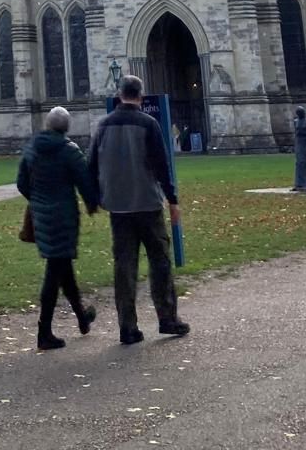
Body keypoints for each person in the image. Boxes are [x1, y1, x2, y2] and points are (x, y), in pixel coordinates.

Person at [88, 74, 190, 345]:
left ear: (119, 95)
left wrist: (96, 198)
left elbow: (91, 166)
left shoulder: (103, 125)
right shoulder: (149, 123)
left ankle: (127, 327)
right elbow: (161, 165)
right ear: (140, 95)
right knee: (160, 262)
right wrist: (172, 199)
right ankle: (167, 318)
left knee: (124, 267)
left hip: (118, 208)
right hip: (147, 204)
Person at [17, 107, 100, 352]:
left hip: (42, 217)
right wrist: (92, 204)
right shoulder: (69, 151)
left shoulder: (32, 149)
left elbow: (21, 182)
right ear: (66, 127)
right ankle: (44, 332)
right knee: (55, 272)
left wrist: (39, 200)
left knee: (62, 268)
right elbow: (84, 182)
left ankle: (82, 318)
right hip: (63, 216)